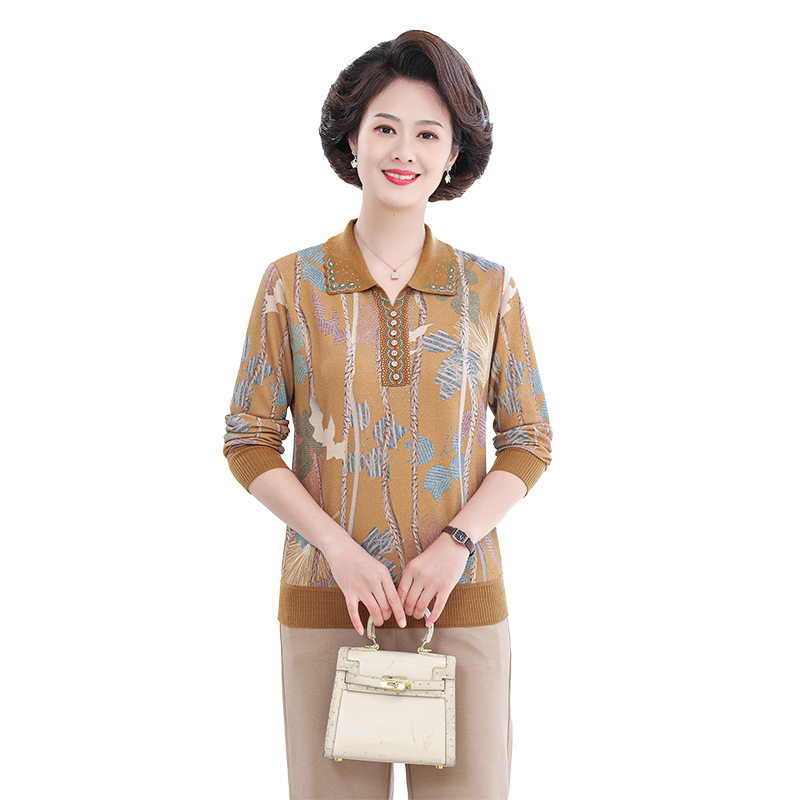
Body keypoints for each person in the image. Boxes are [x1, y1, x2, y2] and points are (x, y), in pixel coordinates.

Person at [222, 30, 553, 800]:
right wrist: (338, 549)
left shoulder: (489, 289)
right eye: (385, 127)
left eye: (428, 133)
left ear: (453, 154)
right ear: (352, 139)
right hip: (326, 605)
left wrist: (456, 545)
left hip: (460, 606)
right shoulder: (292, 284)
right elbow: (248, 440)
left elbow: (529, 438)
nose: (405, 150)